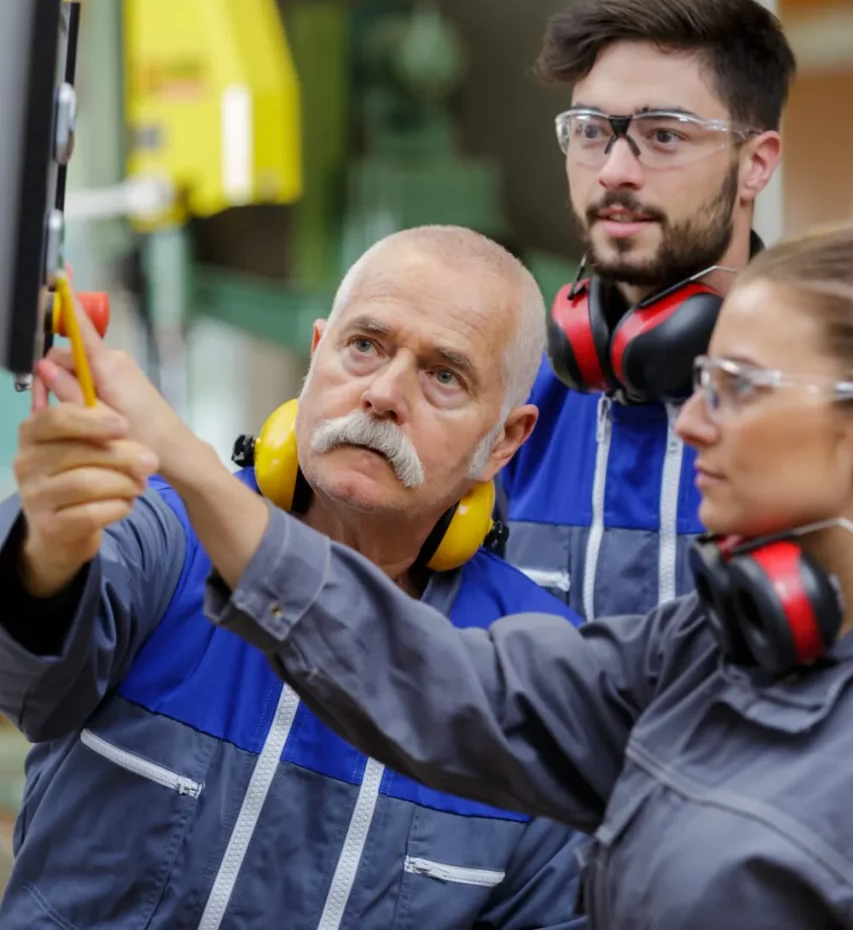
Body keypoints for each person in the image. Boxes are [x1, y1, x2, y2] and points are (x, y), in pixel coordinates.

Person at [43, 221, 853, 927]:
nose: (689, 422)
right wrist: (179, 459)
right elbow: (449, 686)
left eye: (738, 389)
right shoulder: (712, 643)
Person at [0, 226, 588, 929]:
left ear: (507, 441)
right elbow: (21, 679)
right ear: (317, 355)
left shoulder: (533, 667)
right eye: (364, 346)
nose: (383, 394)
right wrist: (48, 550)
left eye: (444, 375)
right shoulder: (159, 530)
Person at [498, 0, 853, 621]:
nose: (616, 171)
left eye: (664, 134)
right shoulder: (517, 408)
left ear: (757, 162)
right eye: (592, 131)